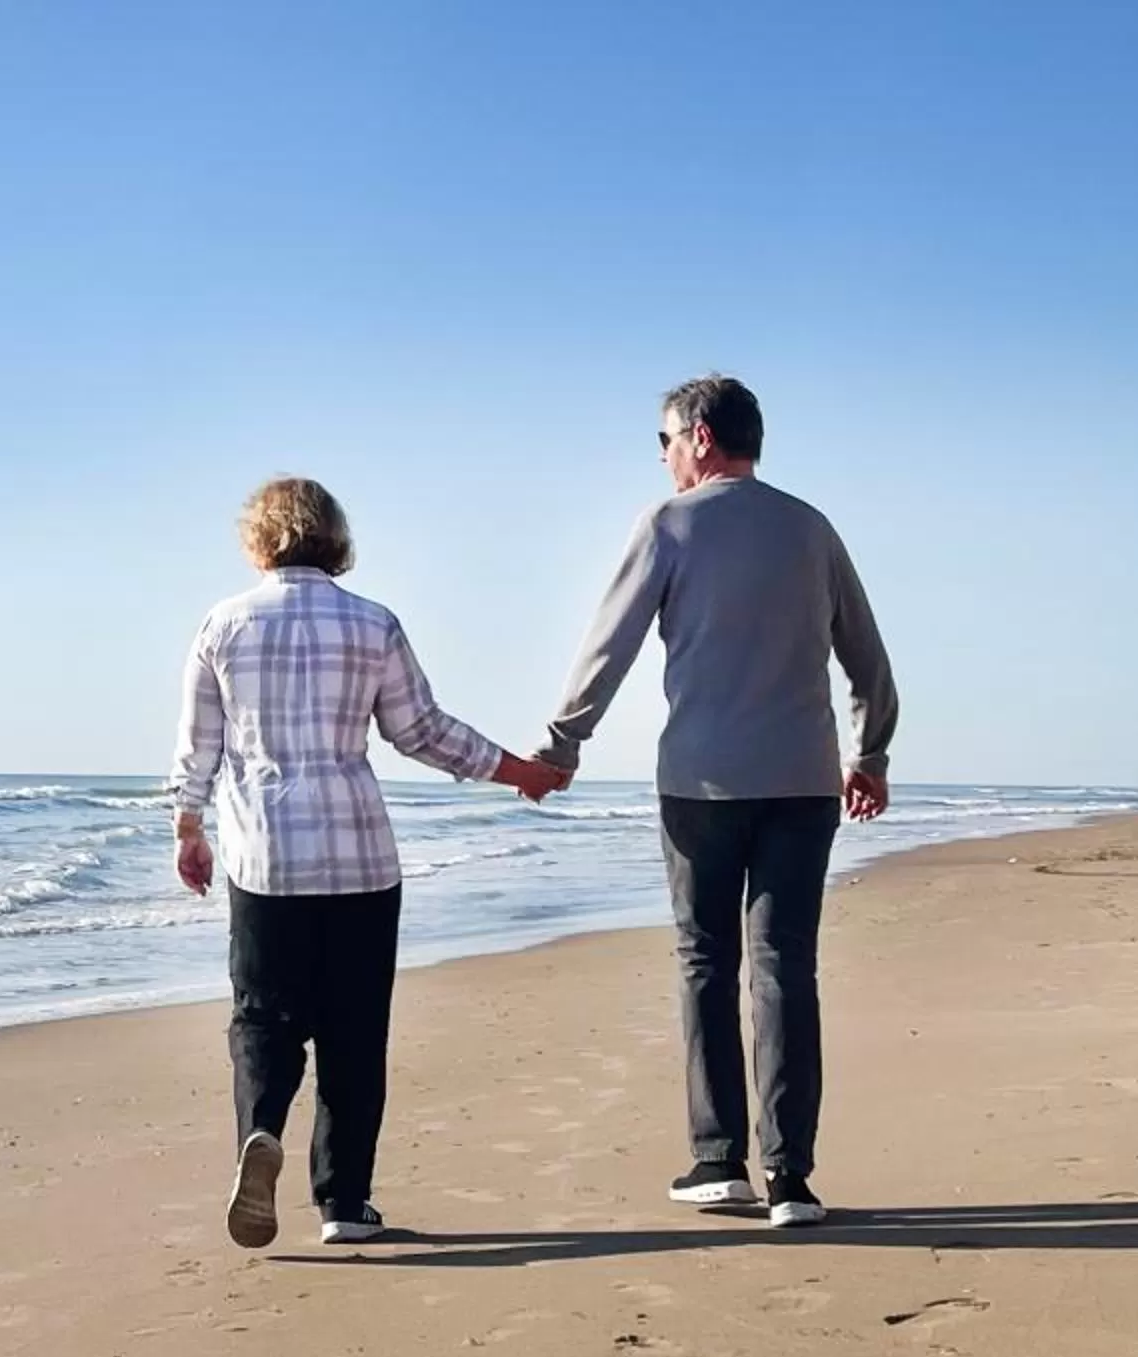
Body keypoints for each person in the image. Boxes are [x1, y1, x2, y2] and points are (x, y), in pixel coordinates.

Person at [532, 375, 899, 1230]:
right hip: (805, 782)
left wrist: (561, 748)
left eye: (663, 442)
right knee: (785, 968)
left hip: (700, 783)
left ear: (698, 436)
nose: (661, 459)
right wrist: (869, 753)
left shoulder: (670, 525)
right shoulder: (811, 528)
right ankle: (791, 1178)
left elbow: (608, 644)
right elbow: (869, 660)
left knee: (706, 961)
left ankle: (716, 1160)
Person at [172, 476, 566, 1249]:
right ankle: (345, 1204)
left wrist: (188, 826)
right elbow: (420, 730)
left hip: (266, 860)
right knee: (356, 1031)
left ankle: (260, 1130)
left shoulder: (222, 625)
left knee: (263, 1016)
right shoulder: (372, 623)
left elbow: (199, 748)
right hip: (359, 856)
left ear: (258, 539)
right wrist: (517, 770)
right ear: (335, 538)